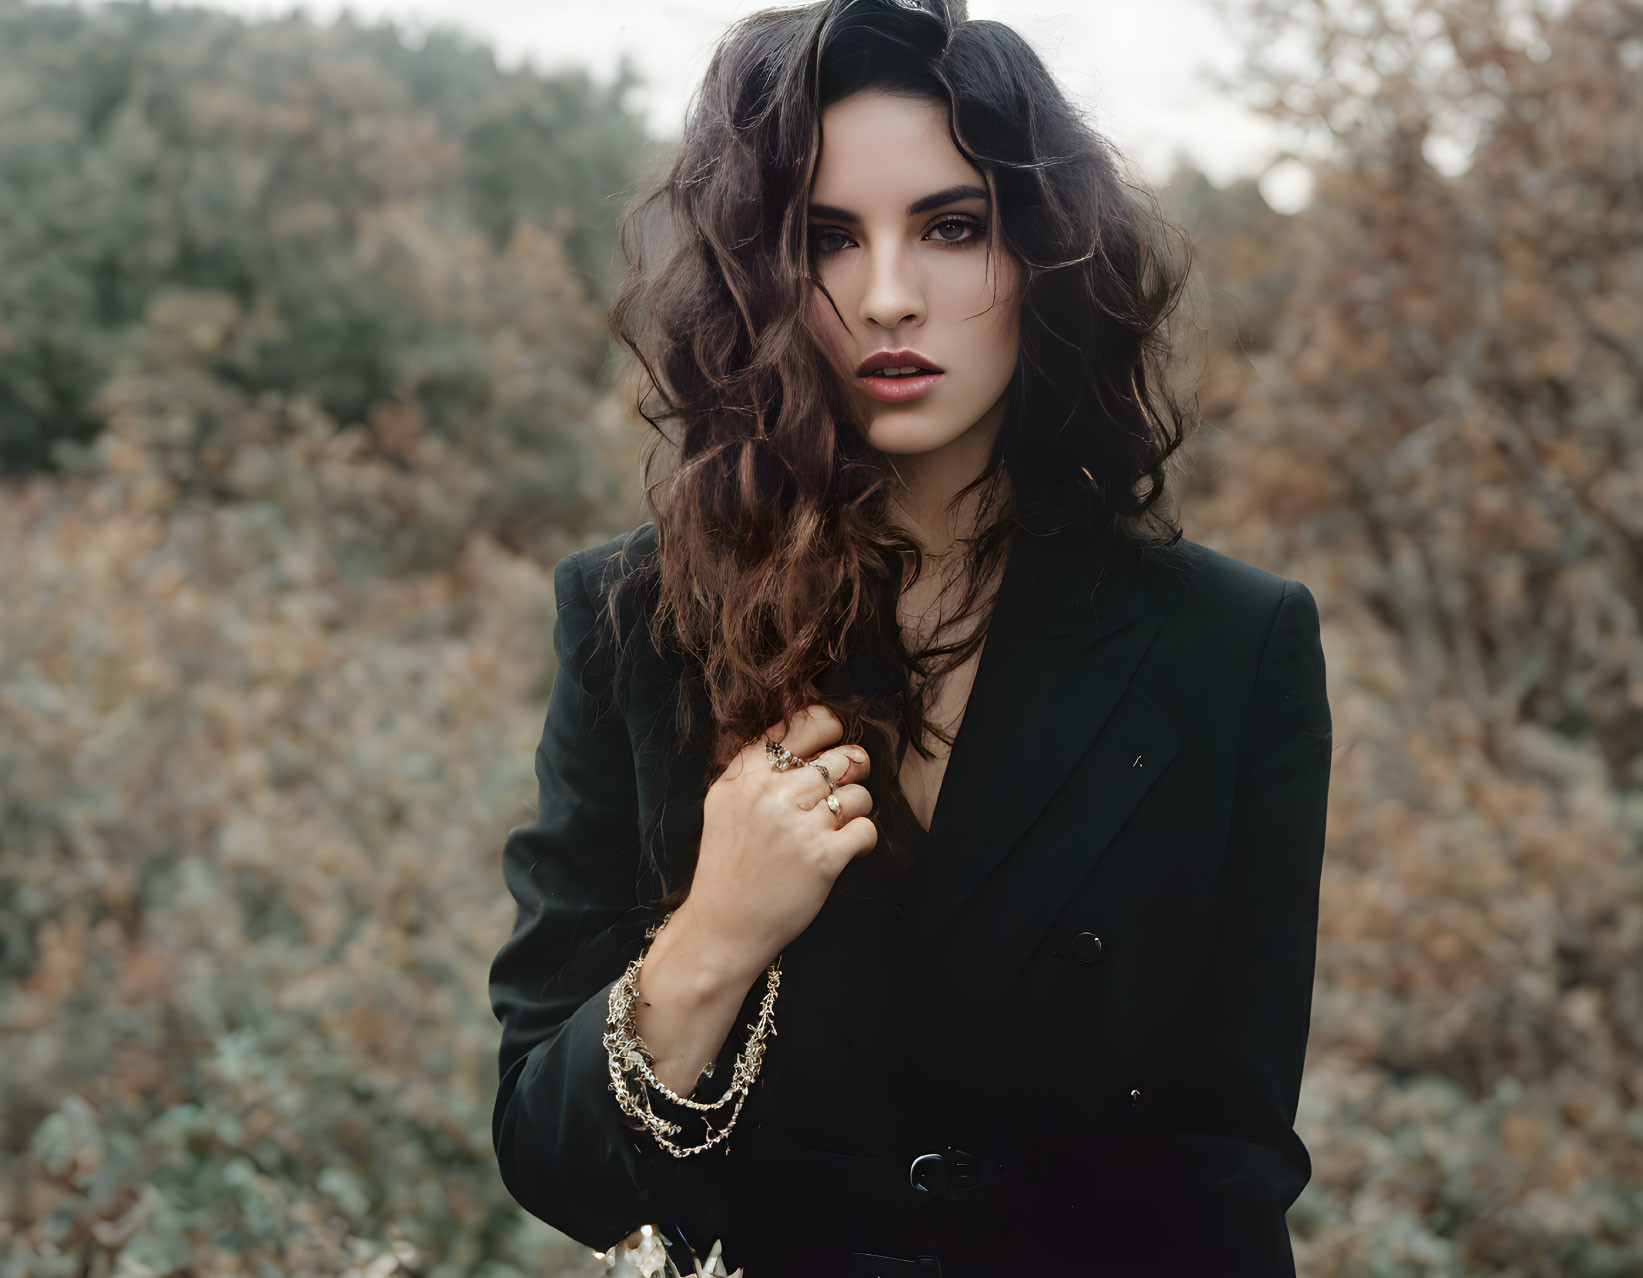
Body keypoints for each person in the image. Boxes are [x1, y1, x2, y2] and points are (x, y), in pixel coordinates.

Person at [488, 1, 1333, 1274]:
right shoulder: (639, 623)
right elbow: (548, 1158)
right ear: (754, 278)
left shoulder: (1228, 645)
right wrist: (715, 933)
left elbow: (1232, 1159)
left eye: (950, 226)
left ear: (1041, 254)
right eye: (825, 240)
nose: (888, 297)